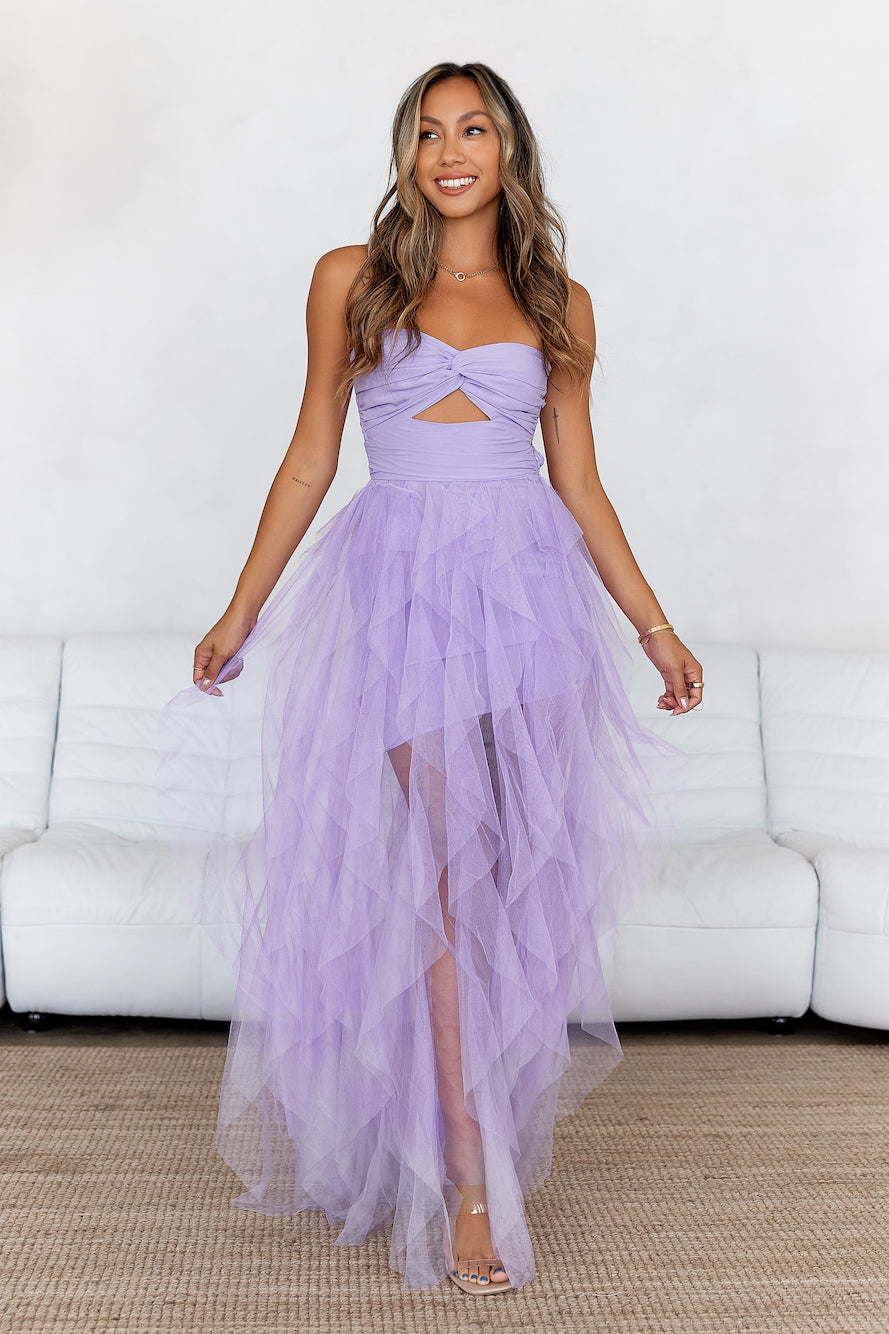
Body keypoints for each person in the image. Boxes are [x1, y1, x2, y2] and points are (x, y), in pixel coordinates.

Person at [177, 61, 703, 1297]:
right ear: (406, 155)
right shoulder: (351, 279)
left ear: (508, 150)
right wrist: (241, 608)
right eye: (428, 132)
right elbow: (311, 458)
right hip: (401, 596)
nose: (450, 151)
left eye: (472, 129)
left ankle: (468, 1117)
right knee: (452, 881)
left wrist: (653, 626)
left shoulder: (556, 301)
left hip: (527, 599)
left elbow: (580, 484)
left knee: (511, 879)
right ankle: (469, 1180)